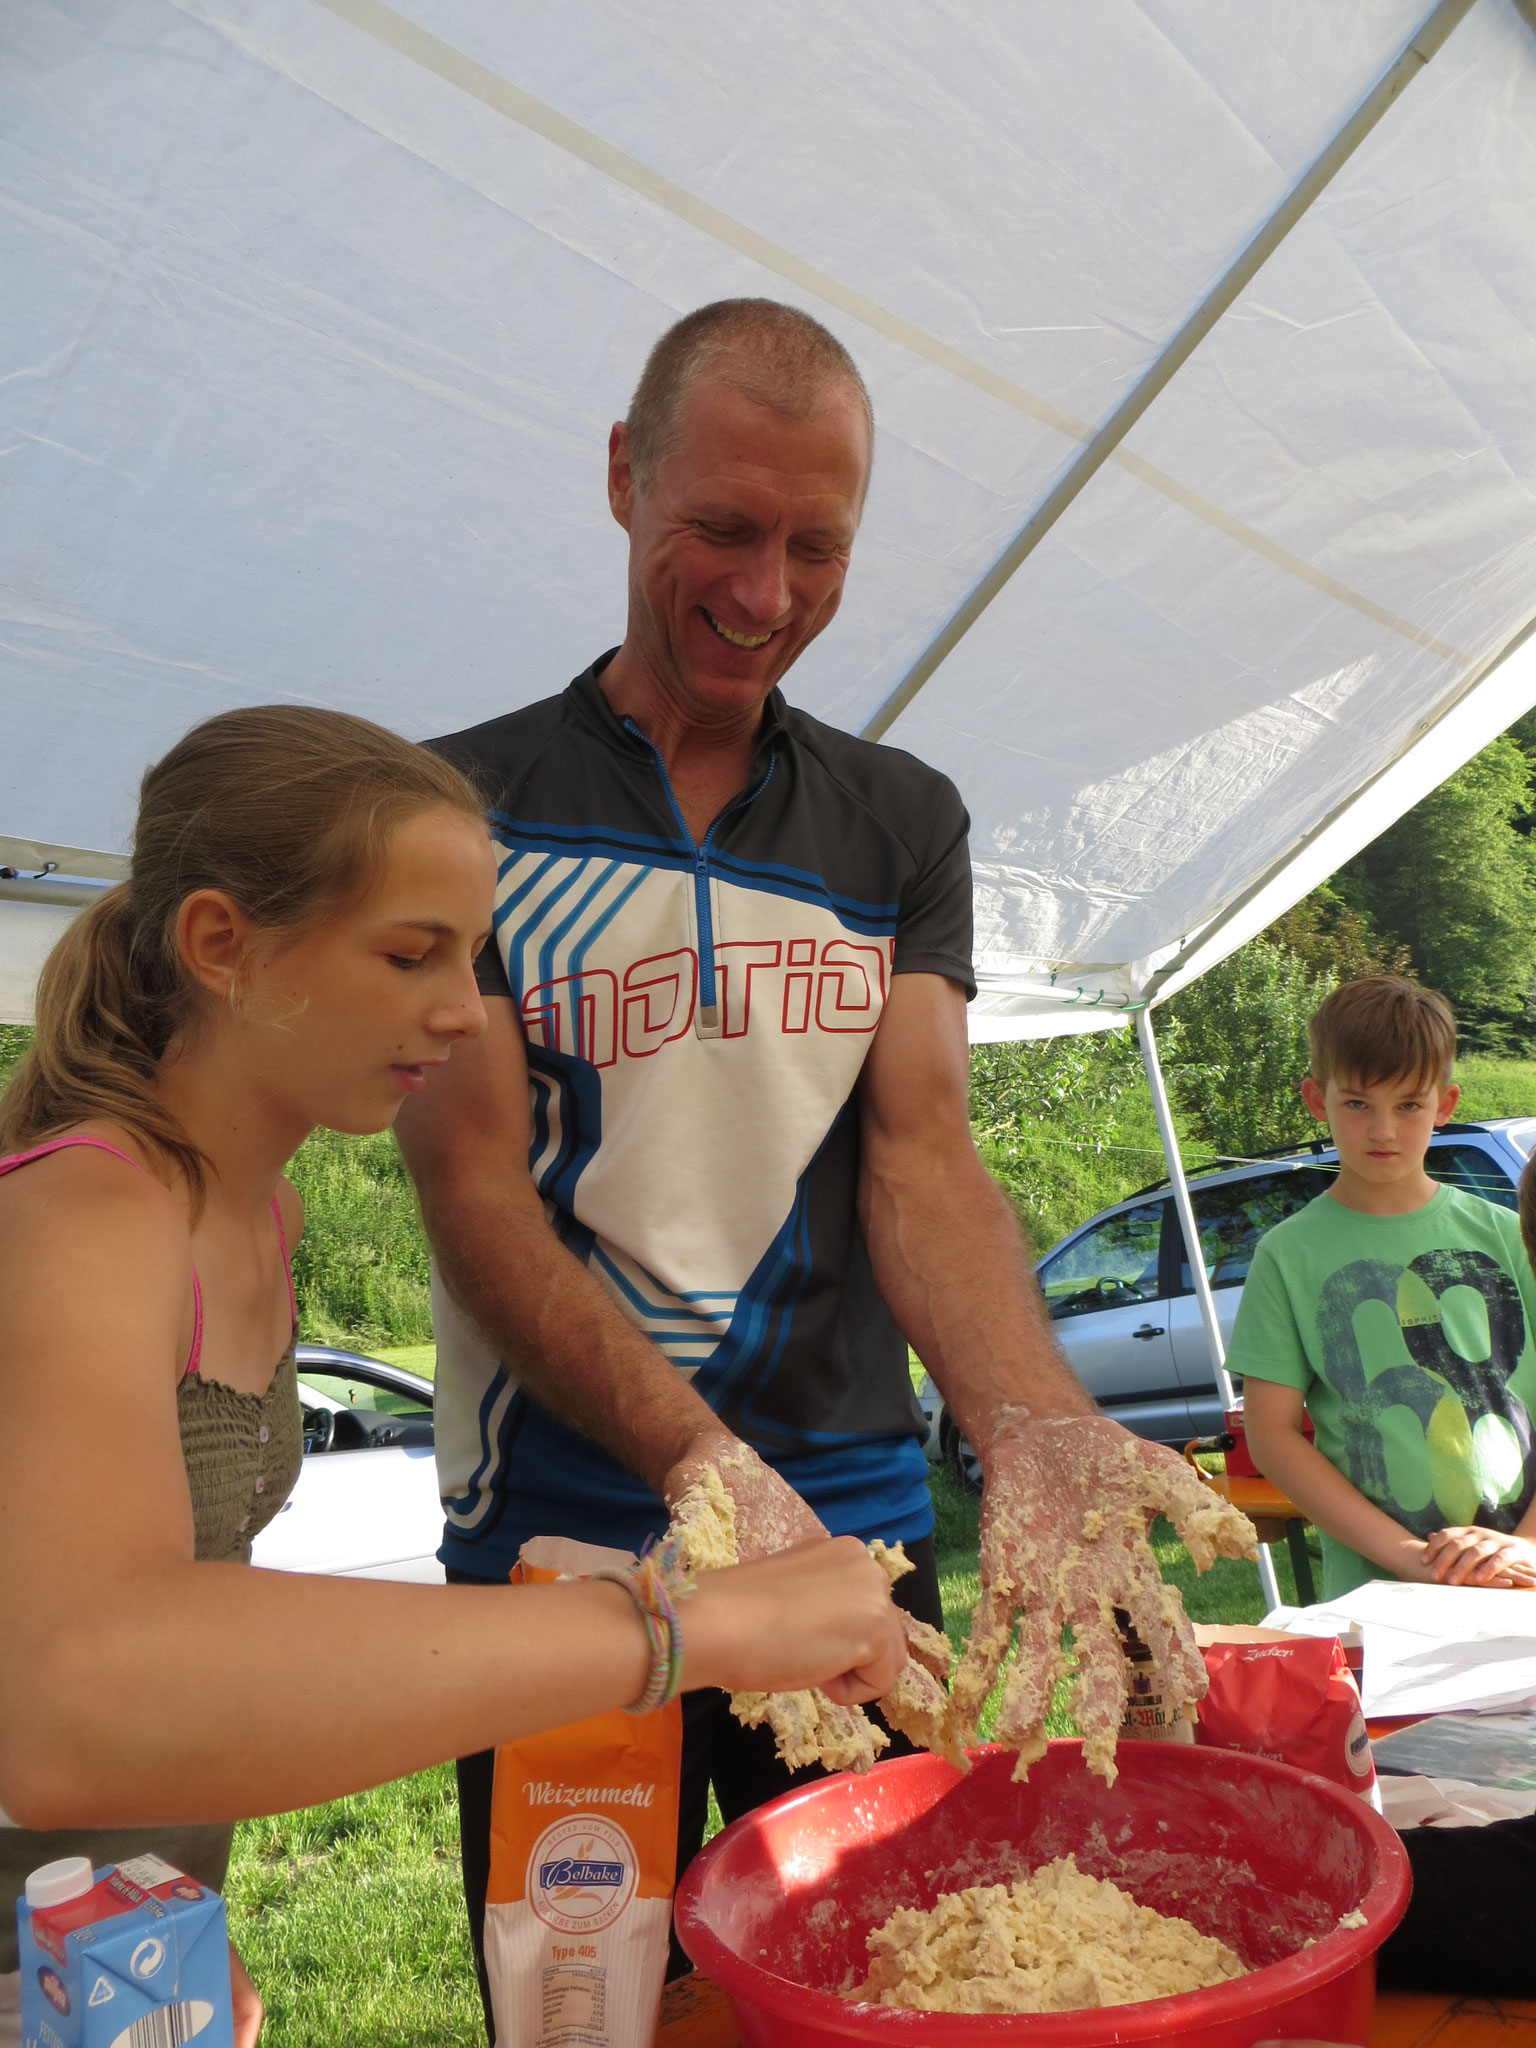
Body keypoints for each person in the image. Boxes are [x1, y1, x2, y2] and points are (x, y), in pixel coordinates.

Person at [397, 296, 1244, 2027]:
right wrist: (705, 1466)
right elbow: (474, 1189)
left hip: (850, 1554)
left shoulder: (895, 818)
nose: (765, 593)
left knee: (911, 1981)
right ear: (626, 477)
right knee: (589, 2013)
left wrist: (1032, 1424)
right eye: (722, 527)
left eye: (816, 546)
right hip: (572, 1566)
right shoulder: (454, 808)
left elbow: (921, 1156)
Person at [0, 706, 909, 2048]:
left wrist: (171, 1921)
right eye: (411, 953)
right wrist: (687, 1632)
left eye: (475, 955)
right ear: (220, 947)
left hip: (107, 1948)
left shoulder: (261, 1219)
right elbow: (76, 1706)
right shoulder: (87, 1211)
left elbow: (195, 1643)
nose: (459, 1008)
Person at [1237, 975, 1536, 1598]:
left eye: (1408, 1105)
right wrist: (1409, 1558)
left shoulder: (1510, 1233)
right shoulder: (1285, 1255)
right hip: (1384, 1597)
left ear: (1446, 1106)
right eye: (1357, 1104)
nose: (1383, 1131)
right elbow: (1271, 1435)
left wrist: (1524, 1543)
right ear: (1317, 1100)